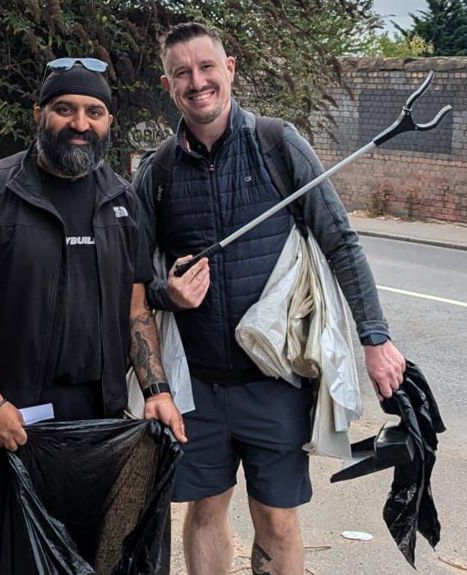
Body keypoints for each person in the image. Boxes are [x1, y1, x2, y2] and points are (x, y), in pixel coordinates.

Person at [134, 23, 406, 575]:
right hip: (198, 388)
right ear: (168, 85)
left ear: (230, 68)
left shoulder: (278, 144)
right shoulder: (156, 172)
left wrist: (375, 339)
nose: (197, 82)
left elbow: (341, 243)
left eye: (207, 67)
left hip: (274, 382)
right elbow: (134, 282)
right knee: (204, 510)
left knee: (277, 520)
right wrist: (169, 292)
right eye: (183, 73)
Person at [0, 58, 186, 575]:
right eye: (64, 109)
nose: (80, 123)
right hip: (10, 418)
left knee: (88, 553)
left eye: (94, 111)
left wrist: (157, 392)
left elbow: (136, 310)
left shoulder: (121, 200)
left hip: (98, 421)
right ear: (39, 114)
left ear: (109, 121)